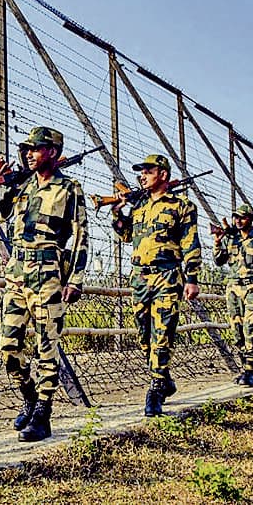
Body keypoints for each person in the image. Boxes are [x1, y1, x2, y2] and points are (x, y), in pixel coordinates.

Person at [0, 126, 88, 442]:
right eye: (26, 148)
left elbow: (81, 235)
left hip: (48, 275)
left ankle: (43, 413)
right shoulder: (23, 186)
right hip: (16, 275)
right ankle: (29, 397)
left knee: (46, 346)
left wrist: (76, 279)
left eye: (36, 148)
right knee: (8, 348)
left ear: (52, 152)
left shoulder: (69, 189)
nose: (29, 153)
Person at [110, 154, 200, 416]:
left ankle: (156, 387)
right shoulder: (139, 207)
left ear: (162, 174)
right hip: (140, 278)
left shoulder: (181, 206)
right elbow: (127, 236)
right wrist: (118, 215)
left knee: (162, 334)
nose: (142, 175)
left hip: (167, 276)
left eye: (148, 171)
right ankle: (165, 377)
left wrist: (192, 279)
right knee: (144, 336)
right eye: (141, 172)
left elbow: (190, 243)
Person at [212, 204, 253, 387]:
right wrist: (217, 242)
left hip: (252, 287)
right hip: (233, 288)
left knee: (251, 327)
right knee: (236, 330)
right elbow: (218, 261)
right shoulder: (229, 239)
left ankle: (250, 370)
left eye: (242, 217)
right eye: (236, 217)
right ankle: (243, 367)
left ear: (250, 219)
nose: (238, 221)